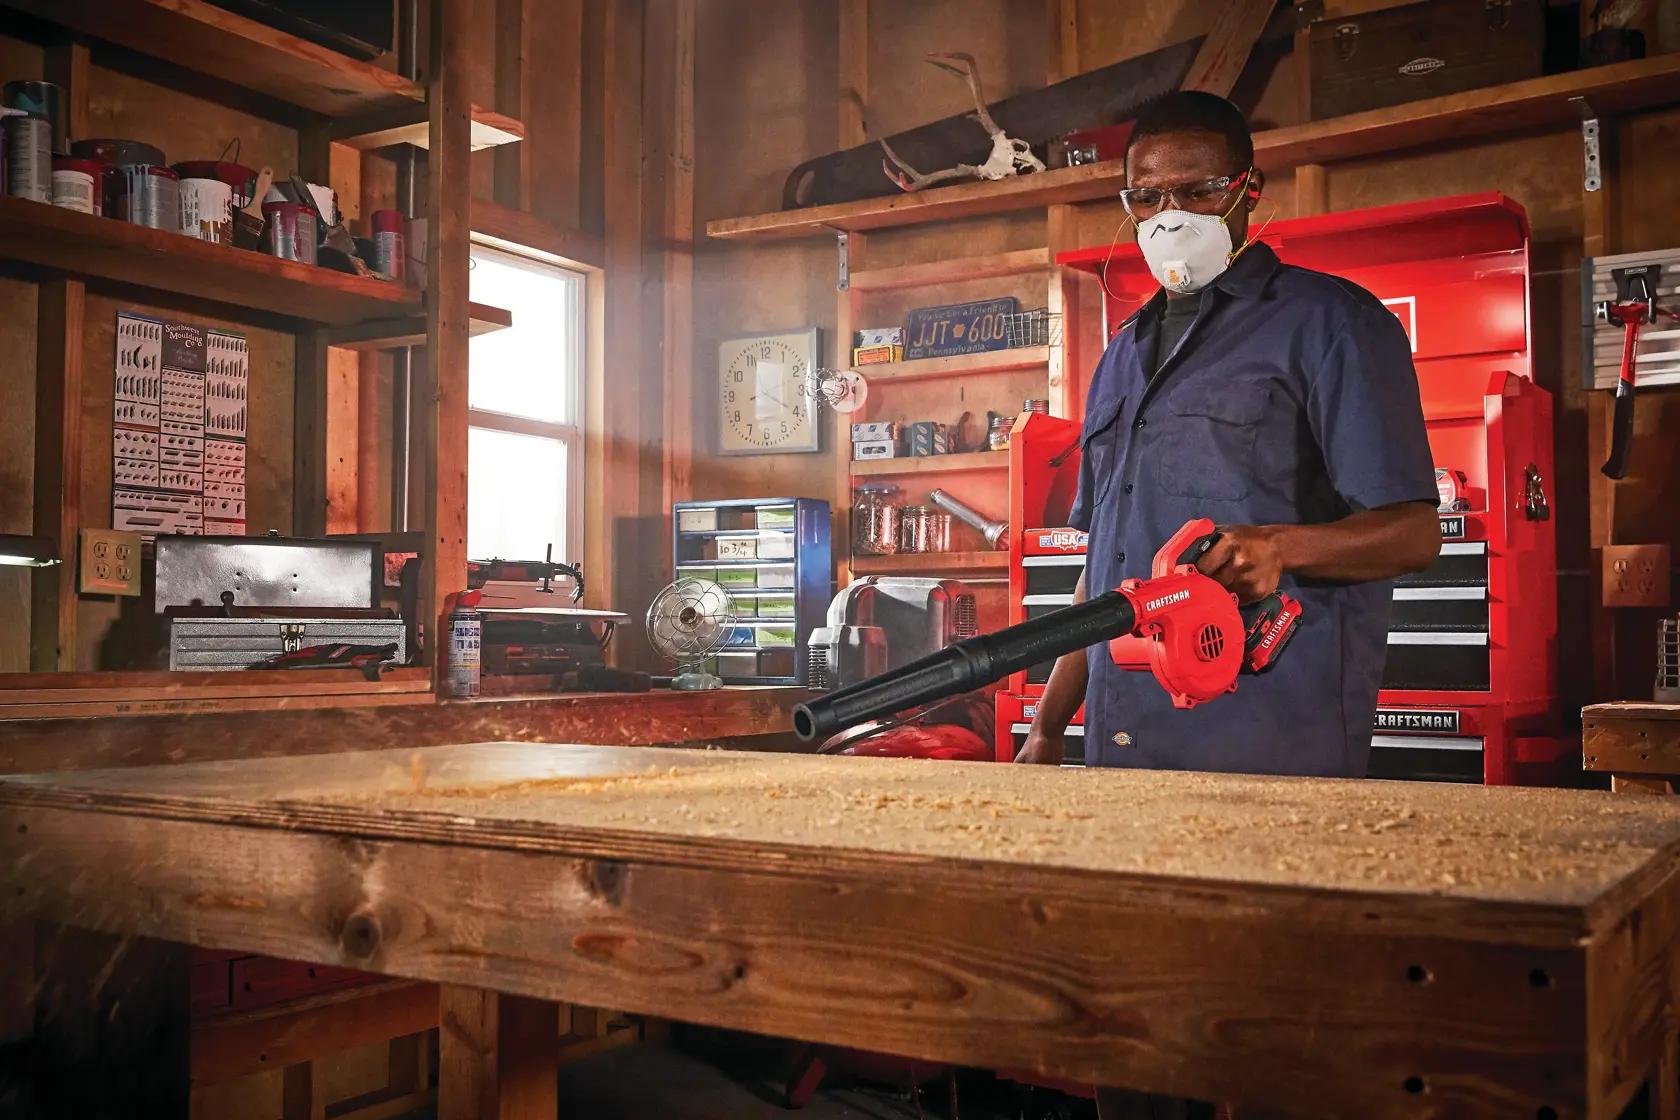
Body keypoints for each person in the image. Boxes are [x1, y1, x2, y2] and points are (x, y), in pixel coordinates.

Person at [1013, 91, 1442, 1119]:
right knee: (1136, 1059)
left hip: (1270, 768)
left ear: (1248, 192)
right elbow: (1103, 574)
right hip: (1128, 766)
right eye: (1147, 194)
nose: (1171, 212)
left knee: (1271, 1059)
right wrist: (1046, 726)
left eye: (1197, 188)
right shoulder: (1121, 354)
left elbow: (1415, 529)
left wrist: (1282, 547)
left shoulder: (1332, 324)